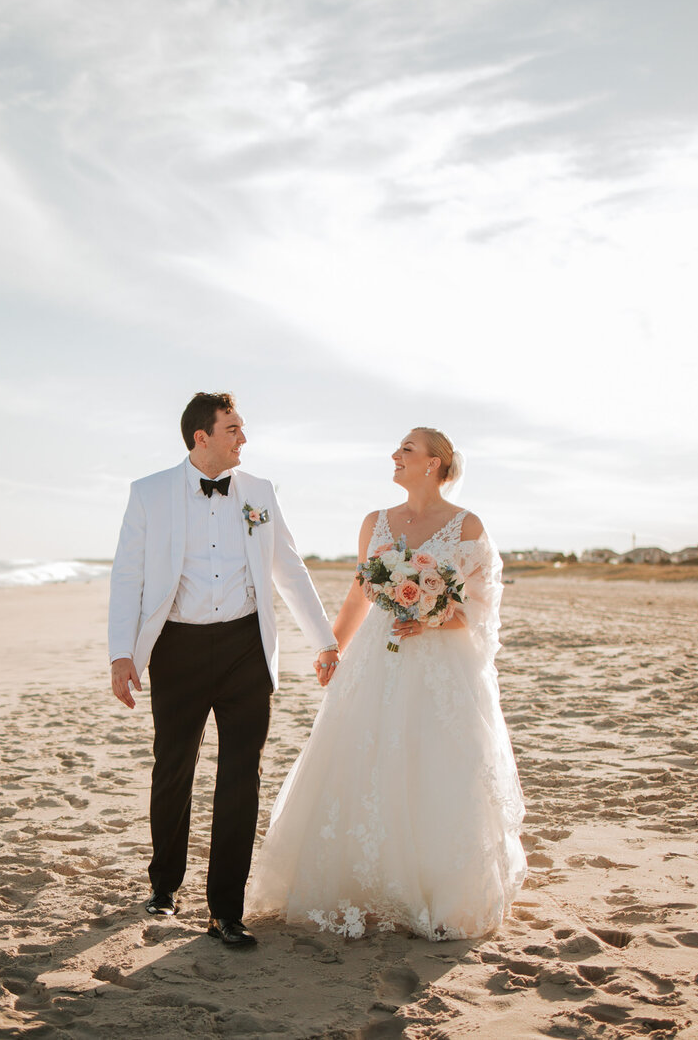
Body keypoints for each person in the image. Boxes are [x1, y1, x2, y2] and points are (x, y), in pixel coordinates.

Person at [247, 427, 527, 940]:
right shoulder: (376, 522)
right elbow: (359, 594)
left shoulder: (467, 527)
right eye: (398, 449)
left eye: (407, 450)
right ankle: (357, 881)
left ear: (435, 463)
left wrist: (432, 617)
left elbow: (481, 606)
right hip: (379, 652)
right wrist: (332, 647)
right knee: (361, 756)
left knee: (435, 760)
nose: (395, 456)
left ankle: (432, 888)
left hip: (439, 660)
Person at [108, 392, 340, 949]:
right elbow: (128, 577)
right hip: (177, 649)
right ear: (201, 438)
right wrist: (121, 653)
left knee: (242, 779)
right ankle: (164, 886)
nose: (244, 439)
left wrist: (324, 640)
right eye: (233, 429)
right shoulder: (149, 493)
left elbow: (289, 568)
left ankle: (225, 911)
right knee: (173, 770)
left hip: (245, 648)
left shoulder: (259, 493)